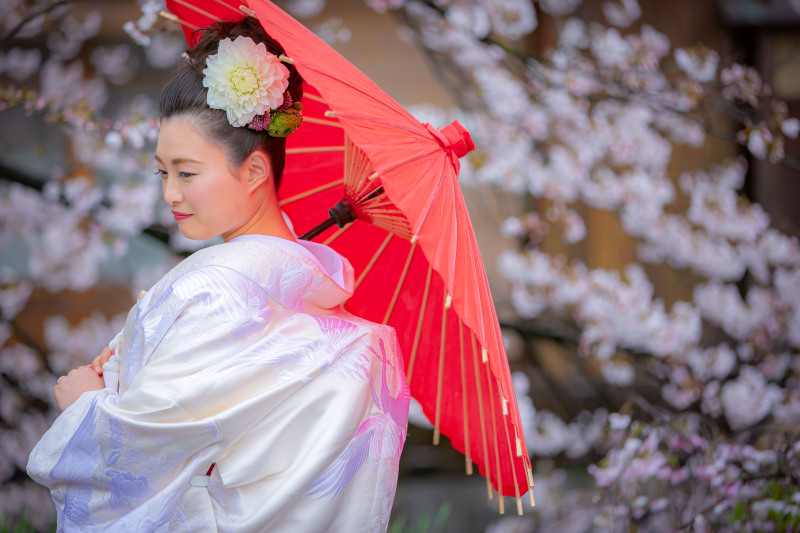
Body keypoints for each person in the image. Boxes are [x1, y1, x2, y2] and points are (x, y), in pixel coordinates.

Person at [27, 17, 410, 533]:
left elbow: (134, 456)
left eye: (187, 173)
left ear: (253, 171)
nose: (170, 194)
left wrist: (88, 405)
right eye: (163, 172)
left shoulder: (212, 291)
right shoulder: (316, 296)